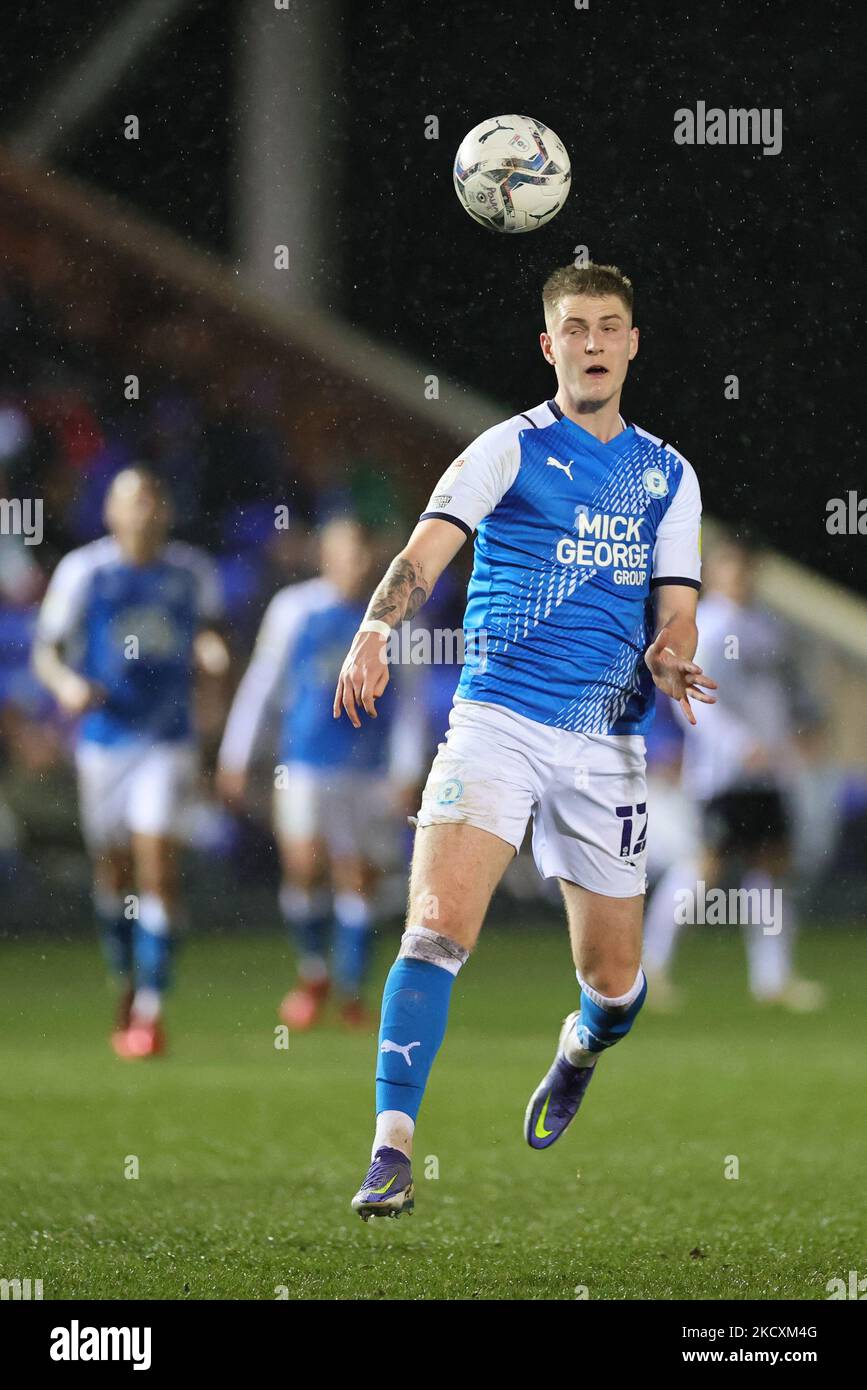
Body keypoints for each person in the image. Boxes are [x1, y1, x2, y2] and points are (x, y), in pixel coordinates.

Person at [333, 262, 717, 1219]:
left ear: (632, 343)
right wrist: (378, 628)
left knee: (615, 985)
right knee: (433, 927)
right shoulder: (505, 449)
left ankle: (579, 1047)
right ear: (549, 347)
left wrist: (672, 661)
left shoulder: (667, 474)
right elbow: (427, 548)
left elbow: (677, 610)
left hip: (605, 746)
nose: (593, 343)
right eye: (575, 328)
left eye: (610, 327)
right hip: (496, 720)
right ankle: (390, 1150)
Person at [33, 467, 226, 1057]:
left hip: (166, 739)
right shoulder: (84, 572)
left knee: (157, 867)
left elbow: (213, 636)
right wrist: (65, 684)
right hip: (104, 740)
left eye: (153, 499)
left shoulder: (192, 572)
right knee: (112, 874)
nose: (144, 511)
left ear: (165, 510)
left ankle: (151, 1008)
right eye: (132, 502)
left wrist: (214, 666)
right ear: (111, 514)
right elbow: (46, 649)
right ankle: (124, 977)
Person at [217, 517, 424, 1029]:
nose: (356, 564)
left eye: (362, 553)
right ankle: (314, 973)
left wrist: (406, 767)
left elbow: (411, 701)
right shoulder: (295, 610)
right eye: (345, 553)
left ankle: (352, 989)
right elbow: (264, 684)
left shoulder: (400, 619)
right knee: (304, 868)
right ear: (325, 557)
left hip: (369, 768)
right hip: (305, 760)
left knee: (359, 878)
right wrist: (236, 755)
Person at [643, 535, 826, 1010]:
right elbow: (693, 698)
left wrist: (802, 731)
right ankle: (650, 966)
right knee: (704, 866)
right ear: (715, 573)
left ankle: (773, 978)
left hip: (769, 774)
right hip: (721, 774)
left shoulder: (770, 627)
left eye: (745, 568)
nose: (739, 576)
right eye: (730, 567)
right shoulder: (704, 626)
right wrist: (740, 745)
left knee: (769, 868)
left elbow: (788, 696)